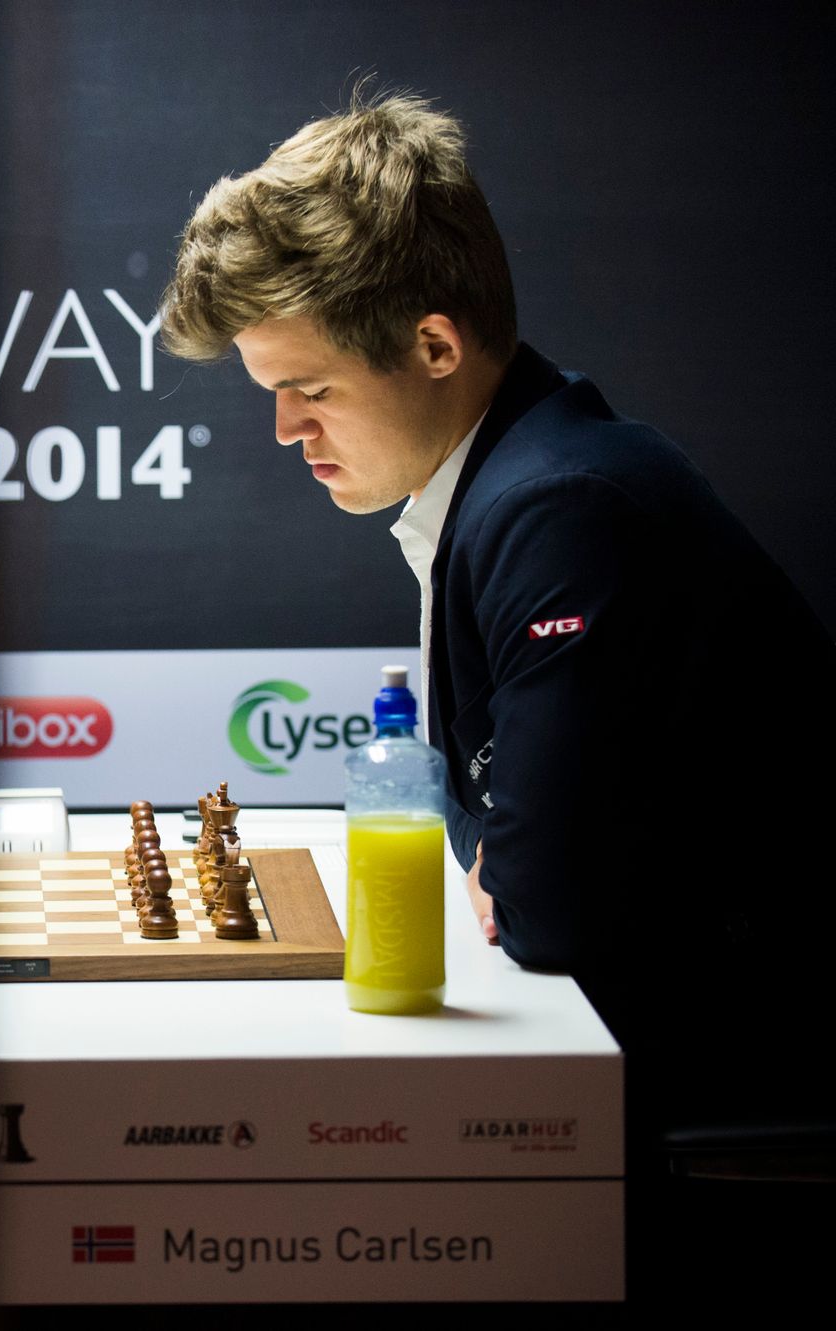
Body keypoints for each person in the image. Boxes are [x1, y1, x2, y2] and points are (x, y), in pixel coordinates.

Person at [155, 94, 834, 1113]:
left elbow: (541, 906)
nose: (286, 428)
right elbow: (501, 847)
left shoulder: (557, 507)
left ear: (435, 345)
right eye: (274, 393)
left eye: (314, 390)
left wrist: (505, 865)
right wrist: (499, 854)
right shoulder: (524, 471)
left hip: (740, 1072)